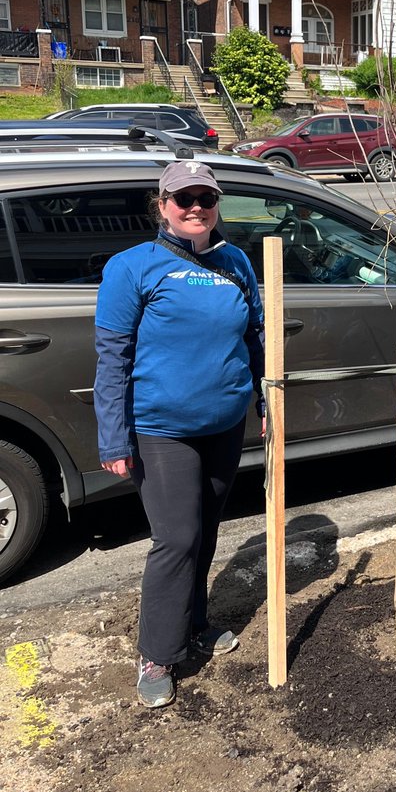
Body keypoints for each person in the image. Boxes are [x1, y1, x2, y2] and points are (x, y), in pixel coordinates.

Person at [94, 161, 265, 708]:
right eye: (182, 198)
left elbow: (256, 340)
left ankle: (194, 624)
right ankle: (157, 652)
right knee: (177, 539)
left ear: (217, 205)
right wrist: (114, 439)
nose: (195, 207)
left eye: (205, 198)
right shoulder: (132, 268)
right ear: (162, 205)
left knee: (206, 530)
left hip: (224, 424)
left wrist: (262, 399)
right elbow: (112, 359)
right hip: (160, 429)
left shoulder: (237, 262)